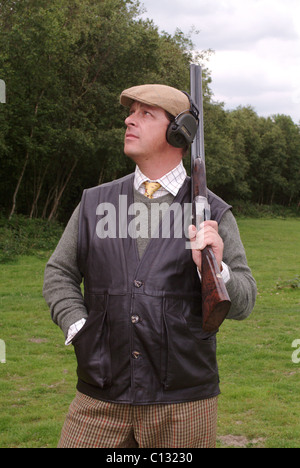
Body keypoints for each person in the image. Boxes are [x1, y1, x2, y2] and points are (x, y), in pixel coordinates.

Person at [43, 84, 257, 448]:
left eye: (146, 113)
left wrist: (217, 269)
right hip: (100, 394)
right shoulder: (95, 202)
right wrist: (80, 326)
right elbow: (59, 273)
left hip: (184, 404)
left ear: (178, 132)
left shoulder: (213, 212)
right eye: (131, 112)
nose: (129, 120)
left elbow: (245, 301)